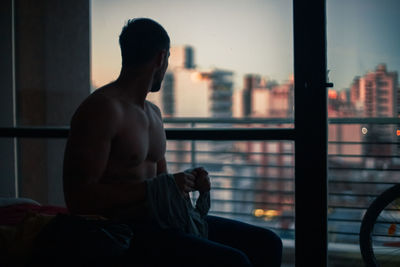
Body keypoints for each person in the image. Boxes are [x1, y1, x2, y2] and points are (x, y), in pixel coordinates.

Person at [62, 18, 282, 267]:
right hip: (122, 231)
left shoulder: (154, 113)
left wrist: (187, 181)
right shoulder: (102, 109)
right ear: (161, 58)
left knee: (268, 243)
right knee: (235, 262)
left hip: (161, 220)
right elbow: (78, 198)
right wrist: (156, 189)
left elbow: (162, 181)